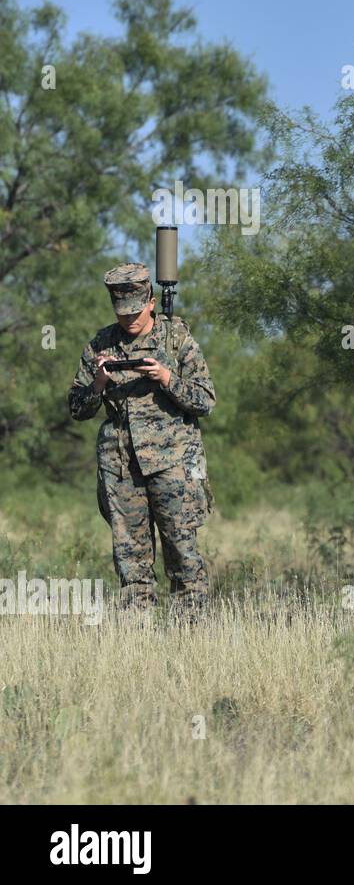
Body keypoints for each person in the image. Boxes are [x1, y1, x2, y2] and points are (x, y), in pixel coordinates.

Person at [67, 263, 216, 620]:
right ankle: (139, 637)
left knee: (182, 552)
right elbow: (76, 408)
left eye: (135, 310)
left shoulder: (177, 339)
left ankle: (191, 632)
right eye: (122, 312)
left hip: (173, 463)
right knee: (130, 557)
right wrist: (98, 385)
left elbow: (205, 400)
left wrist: (167, 378)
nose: (129, 319)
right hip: (120, 465)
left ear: (150, 302)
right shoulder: (100, 344)